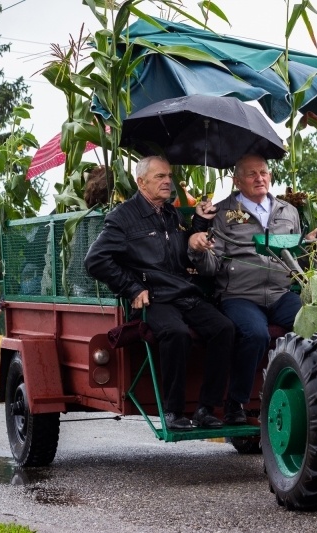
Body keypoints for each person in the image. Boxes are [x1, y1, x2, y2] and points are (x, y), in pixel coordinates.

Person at [85, 155, 234, 431]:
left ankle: (205, 409)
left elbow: (180, 254)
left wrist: (199, 225)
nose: (168, 181)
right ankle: (173, 412)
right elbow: (95, 260)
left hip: (183, 294)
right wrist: (131, 287)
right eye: (160, 177)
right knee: (176, 333)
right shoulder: (122, 218)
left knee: (224, 328)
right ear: (141, 182)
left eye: (168, 176)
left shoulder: (170, 214)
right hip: (154, 298)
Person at [188, 153, 317, 425]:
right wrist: (199, 252)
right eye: (251, 174)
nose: (259, 178)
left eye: (263, 172)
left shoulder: (288, 211)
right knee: (255, 334)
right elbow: (212, 267)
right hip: (239, 295)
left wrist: (313, 243)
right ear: (237, 181)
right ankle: (235, 404)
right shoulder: (223, 212)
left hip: (280, 294)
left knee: (316, 326)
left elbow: (296, 260)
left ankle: (313, 399)